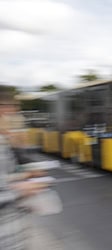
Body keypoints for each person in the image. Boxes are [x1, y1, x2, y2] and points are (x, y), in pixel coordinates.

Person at [0, 86, 48, 250]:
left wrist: (26, 174)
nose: (11, 114)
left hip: (14, 233)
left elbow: (15, 163)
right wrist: (19, 190)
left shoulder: (6, 139)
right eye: (8, 110)